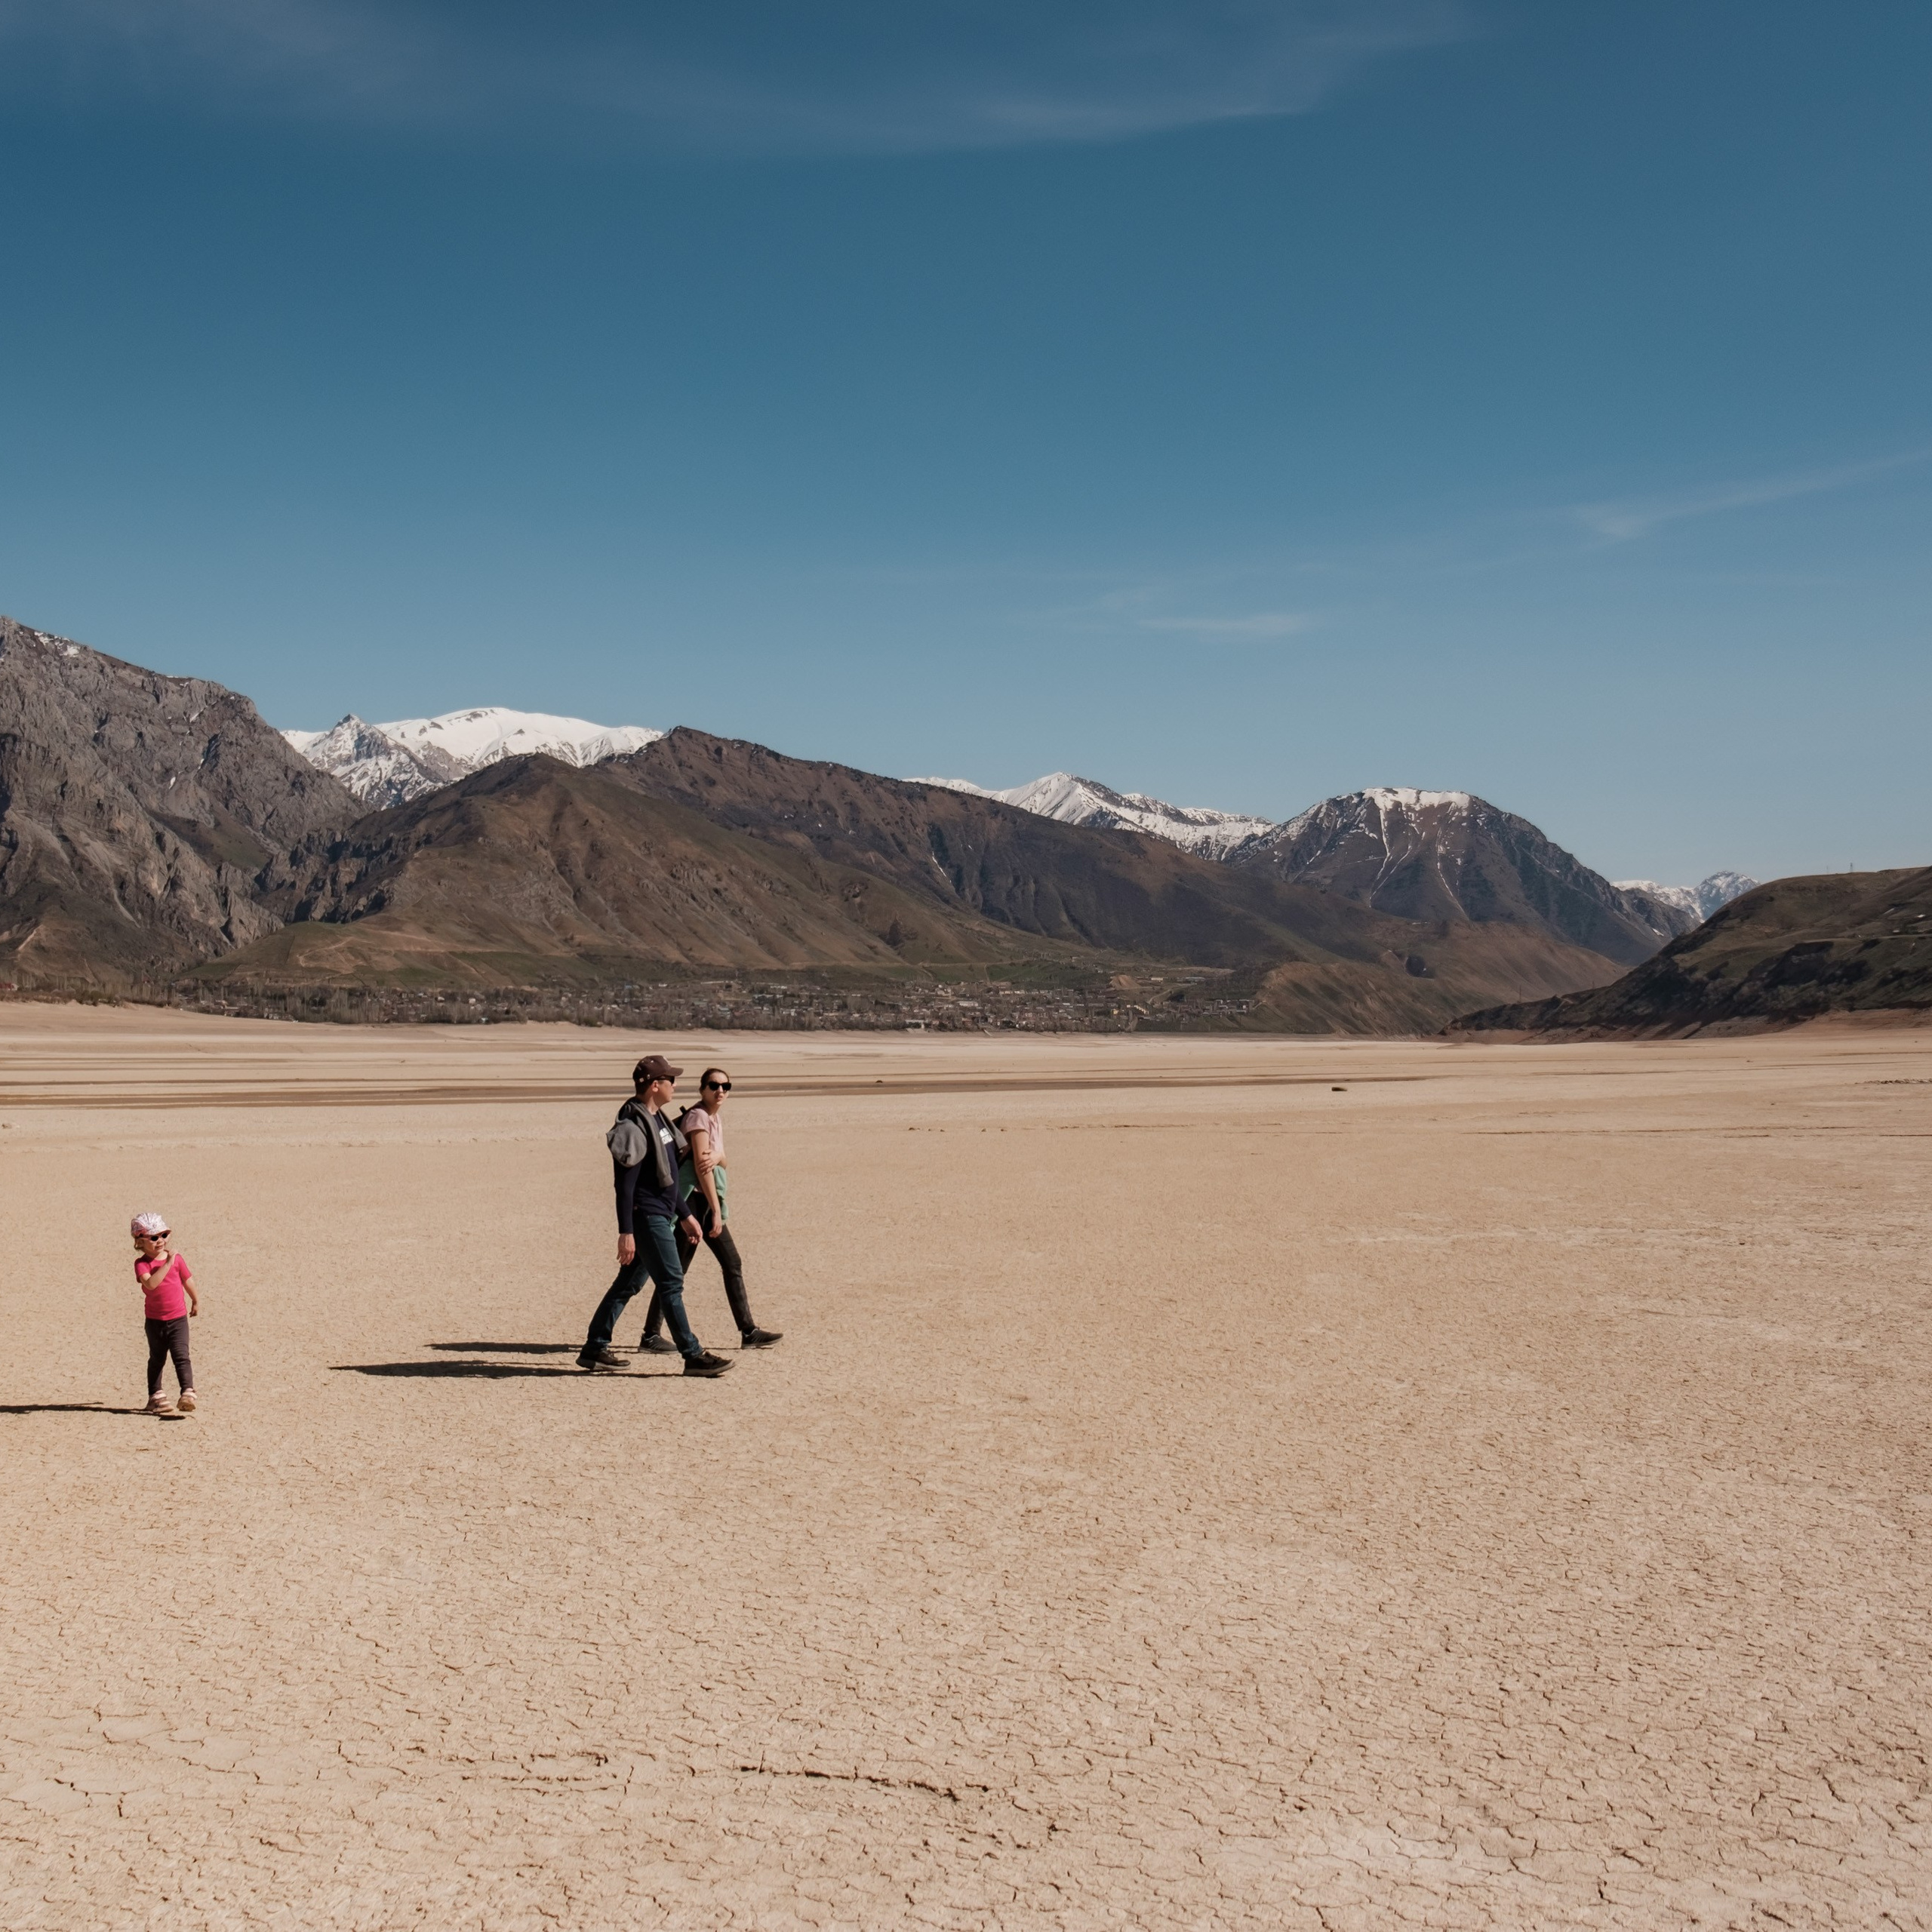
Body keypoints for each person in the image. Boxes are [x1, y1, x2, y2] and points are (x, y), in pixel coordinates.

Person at [578, 1055, 733, 1377]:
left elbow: (670, 1179)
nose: (675, 1085)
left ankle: (595, 1347)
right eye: (670, 1080)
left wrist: (687, 1215)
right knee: (672, 1283)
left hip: (662, 1212)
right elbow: (625, 1184)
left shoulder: (660, 1122)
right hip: (647, 1217)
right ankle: (692, 1355)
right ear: (654, 1086)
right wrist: (626, 1231)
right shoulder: (632, 1127)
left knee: (628, 1284)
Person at [641, 1066, 782, 1352]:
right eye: (714, 1086)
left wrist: (719, 1155)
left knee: (730, 1263)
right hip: (694, 1202)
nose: (720, 1091)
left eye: (726, 1087)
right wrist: (716, 1211)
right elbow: (705, 1171)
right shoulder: (697, 1117)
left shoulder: (714, 1119)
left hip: (706, 1201)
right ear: (702, 1089)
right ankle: (650, 1335)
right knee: (676, 1271)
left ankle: (748, 1331)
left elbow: (721, 1161)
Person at [131, 1211, 198, 1415]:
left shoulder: (177, 1260)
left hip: (178, 1318)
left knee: (181, 1356)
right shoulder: (142, 1264)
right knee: (157, 1358)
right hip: (155, 1321)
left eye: (164, 1235)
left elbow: (188, 1279)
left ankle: (187, 1393)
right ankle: (156, 1396)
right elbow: (151, 1284)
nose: (160, 1241)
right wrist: (168, 1263)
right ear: (140, 1242)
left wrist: (195, 1300)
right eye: (153, 1237)